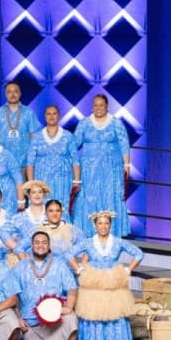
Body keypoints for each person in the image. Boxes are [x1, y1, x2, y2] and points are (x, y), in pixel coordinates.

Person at [69, 211, 142, 340]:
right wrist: (79, 269)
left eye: (106, 223)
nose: (103, 226)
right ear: (95, 225)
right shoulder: (88, 242)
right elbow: (69, 254)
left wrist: (128, 270)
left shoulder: (118, 242)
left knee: (114, 318)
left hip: (113, 284)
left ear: (110, 225)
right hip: (93, 286)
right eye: (100, 223)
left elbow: (138, 253)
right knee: (94, 319)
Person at [14, 231, 79, 340]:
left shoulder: (60, 265)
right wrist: (18, 317)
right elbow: (12, 295)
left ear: (49, 246)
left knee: (72, 318)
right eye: (37, 242)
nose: (40, 245)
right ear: (31, 245)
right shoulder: (21, 267)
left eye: (44, 243)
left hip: (56, 320)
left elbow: (72, 289)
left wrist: (69, 307)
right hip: (32, 324)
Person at [73, 94, 132, 236]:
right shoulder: (84, 123)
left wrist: (127, 166)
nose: (98, 108)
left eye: (101, 105)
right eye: (95, 105)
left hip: (111, 169)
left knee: (110, 196)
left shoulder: (116, 123)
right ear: (92, 107)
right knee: (89, 196)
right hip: (89, 170)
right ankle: (87, 232)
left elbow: (124, 145)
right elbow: (74, 145)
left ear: (107, 106)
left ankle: (113, 232)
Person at [27, 105, 80, 205]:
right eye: (48, 114)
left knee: (61, 206)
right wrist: (31, 183)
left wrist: (76, 181)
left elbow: (75, 160)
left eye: (54, 113)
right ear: (44, 116)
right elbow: (30, 162)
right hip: (42, 179)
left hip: (63, 179)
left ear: (59, 116)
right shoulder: (37, 137)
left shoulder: (68, 136)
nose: (51, 116)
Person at [0, 82, 41, 177]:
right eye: (9, 92)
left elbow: (35, 137)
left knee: (23, 191)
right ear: (5, 94)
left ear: (20, 93)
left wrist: (32, 161)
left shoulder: (28, 112)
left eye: (15, 91)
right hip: (2, 162)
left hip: (24, 163)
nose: (12, 94)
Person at [18, 199, 83, 261]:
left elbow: (86, 246)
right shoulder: (38, 230)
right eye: (51, 211)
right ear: (46, 213)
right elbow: (19, 247)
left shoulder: (71, 230)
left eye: (58, 211)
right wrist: (27, 264)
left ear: (61, 213)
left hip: (67, 269)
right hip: (45, 269)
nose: (54, 214)